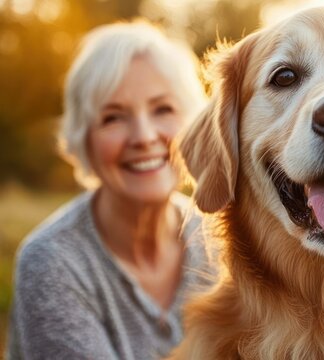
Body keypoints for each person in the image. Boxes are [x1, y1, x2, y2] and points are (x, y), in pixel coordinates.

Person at [6, 20, 212, 359]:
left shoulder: (222, 241)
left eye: (163, 109)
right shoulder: (52, 262)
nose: (144, 137)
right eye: (113, 117)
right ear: (82, 140)